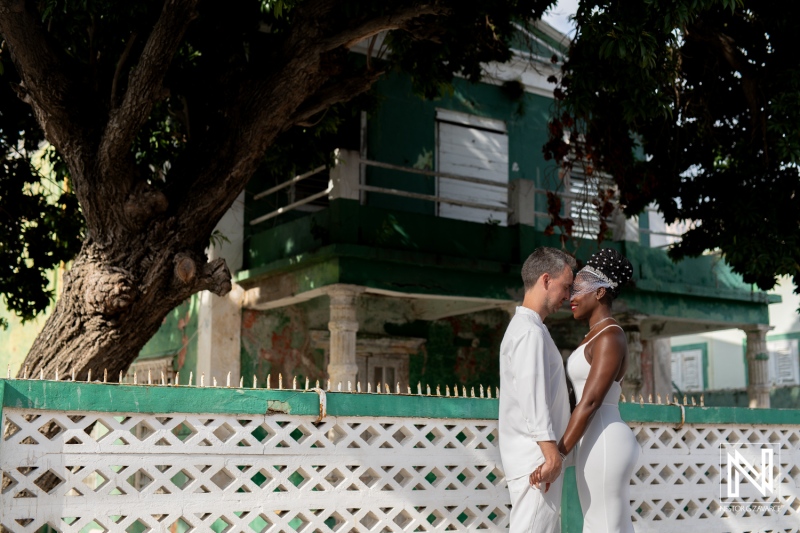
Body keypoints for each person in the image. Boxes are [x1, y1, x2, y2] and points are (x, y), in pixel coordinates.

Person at [549, 248, 639, 533]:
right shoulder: (595, 335)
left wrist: (558, 454)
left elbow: (589, 403)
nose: (571, 298)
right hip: (593, 439)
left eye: (579, 289)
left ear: (600, 293)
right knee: (606, 523)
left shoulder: (611, 335)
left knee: (605, 524)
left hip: (605, 438)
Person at [499, 247, 577, 533]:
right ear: (546, 280)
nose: (568, 297)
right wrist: (550, 453)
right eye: (566, 287)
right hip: (536, 459)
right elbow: (531, 395)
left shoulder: (532, 328)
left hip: (537, 456)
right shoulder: (529, 331)